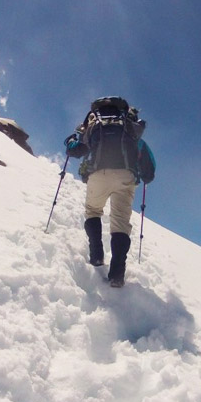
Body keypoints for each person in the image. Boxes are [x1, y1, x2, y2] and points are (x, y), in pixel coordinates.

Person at [64, 96, 156, 287]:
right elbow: (149, 166)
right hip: (126, 176)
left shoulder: (94, 126)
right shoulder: (130, 130)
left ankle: (96, 255)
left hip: (98, 174)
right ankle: (117, 274)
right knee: (120, 222)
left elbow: (76, 150)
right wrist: (145, 176)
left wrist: (70, 141)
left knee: (93, 211)